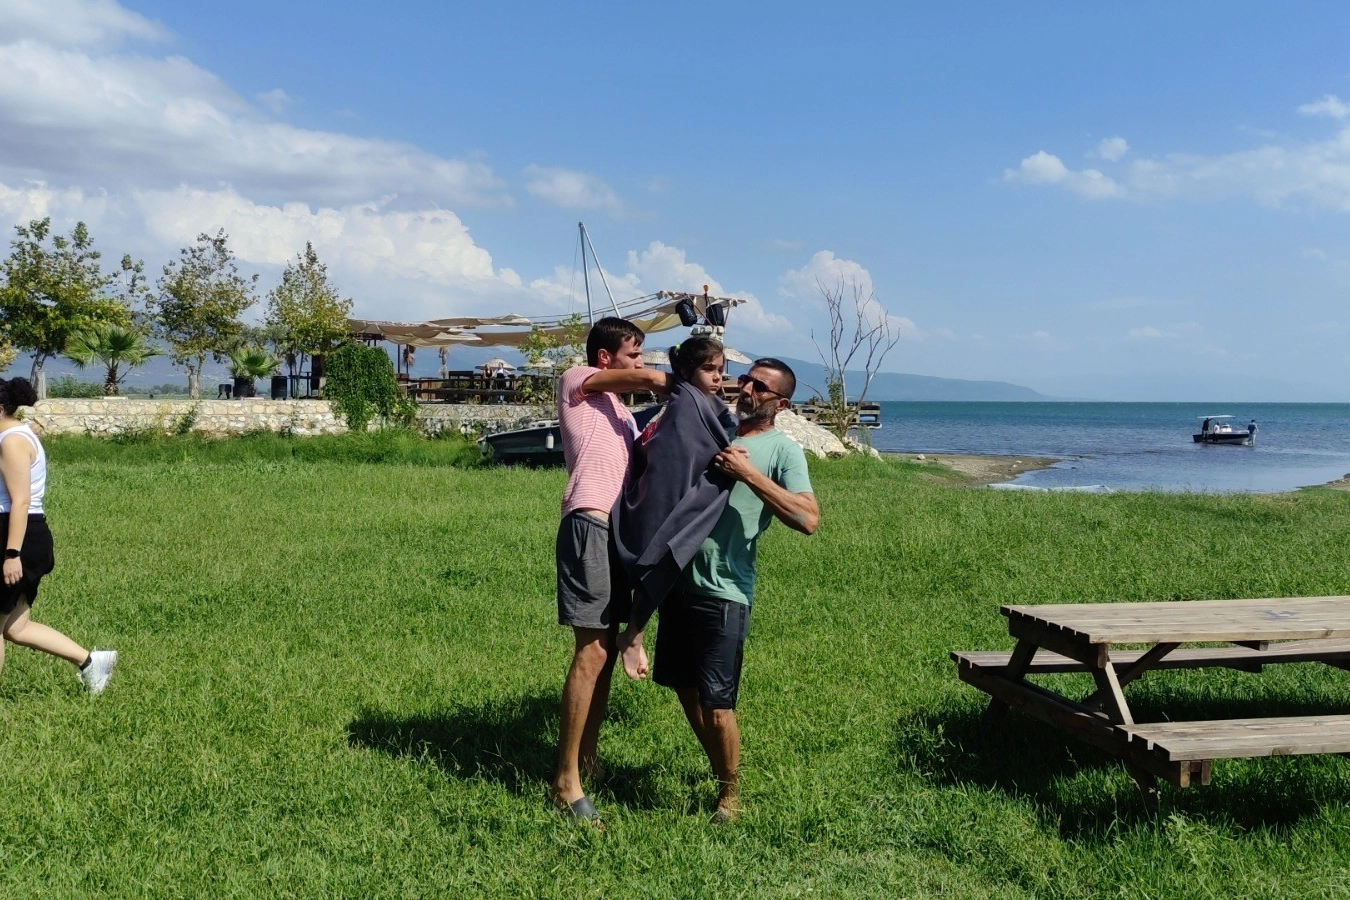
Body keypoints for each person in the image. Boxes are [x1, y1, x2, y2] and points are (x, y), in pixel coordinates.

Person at [652, 358, 819, 823]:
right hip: (677, 581)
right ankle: (717, 767)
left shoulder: (783, 451)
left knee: (718, 704)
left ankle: (730, 793)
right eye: (745, 380)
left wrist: (749, 476)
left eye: (759, 387)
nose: (745, 389)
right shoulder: (714, 428)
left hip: (725, 591)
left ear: (780, 403)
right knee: (683, 688)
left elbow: (808, 519)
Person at [551, 317, 671, 825]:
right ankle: (565, 781)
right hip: (588, 522)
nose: (641, 365)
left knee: (603, 651)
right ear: (606, 358)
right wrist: (686, 375)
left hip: (616, 534)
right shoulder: (577, 380)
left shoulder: (621, 415)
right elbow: (649, 382)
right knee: (593, 649)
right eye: (635, 355)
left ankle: (589, 763)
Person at [611, 337, 739, 681]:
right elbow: (674, 458)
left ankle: (633, 634)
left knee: (665, 559)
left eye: (721, 370)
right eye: (708, 369)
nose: (717, 377)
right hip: (664, 499)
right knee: (663, 554)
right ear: (685, 370)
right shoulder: (686, 405)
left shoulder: (697, 402)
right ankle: (633, 635)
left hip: (678, 496)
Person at [0, 377, 117, 694]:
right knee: (16, 626)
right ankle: (92, 662)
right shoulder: (17, 435)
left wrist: (12, 555)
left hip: (16, 534)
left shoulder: (11, 441)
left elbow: (20, 501)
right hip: (26, 532)